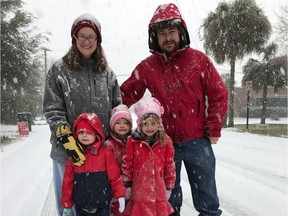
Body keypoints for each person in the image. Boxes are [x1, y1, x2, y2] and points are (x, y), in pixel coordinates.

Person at [120, 3, 228, 216]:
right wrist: (116, 121)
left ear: (181, 32)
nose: (168, 38)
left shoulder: (199, 61)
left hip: (198, 140)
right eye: (162, 33)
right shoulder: (148, 67)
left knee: (207, 197)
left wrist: (214, 127)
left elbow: (219, 93)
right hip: (162, 142)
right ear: (155, 37)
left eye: (172, 31)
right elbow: (125, 94)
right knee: (168, 197)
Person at [43, 13, 121, 216]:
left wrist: (119, 139)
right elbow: (53, 108)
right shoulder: (59, 70)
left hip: (100, 155)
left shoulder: (107, 73)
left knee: (101, 204)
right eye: (82, 36)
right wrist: (67, 141)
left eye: (91, 37)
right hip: (67, 154)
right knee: (69, 204)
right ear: (74, 38)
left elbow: (116, 108)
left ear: (98, 40)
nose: (86, 41)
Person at [61, 113, 125, 216]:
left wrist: (120, 195)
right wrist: (66, 204)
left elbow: (115, 177)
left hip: (102, 204)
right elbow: (68, 182)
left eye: (88, 132)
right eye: (81, 132)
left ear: (96, 134)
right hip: (81, 205)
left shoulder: (105, 153)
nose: (84, 135)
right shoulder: (74, 156)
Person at [121, 97, 176, 216]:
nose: (149, 128)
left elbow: (169, 165)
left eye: (153, 124)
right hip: (140, 189)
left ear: (159, 124)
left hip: (159, 191)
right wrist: (127, 184)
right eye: (145, 124)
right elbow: (127, 163)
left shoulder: (166, 141)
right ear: (140, 124)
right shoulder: (133, 141)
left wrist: (169, 186)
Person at [104, 104, 133, 216]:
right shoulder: (108, 145)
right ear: (112, 125)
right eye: (118, 122)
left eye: (126, 122)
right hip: (115, 189)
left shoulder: (135, 142)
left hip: (134, 187)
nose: (122, 126)